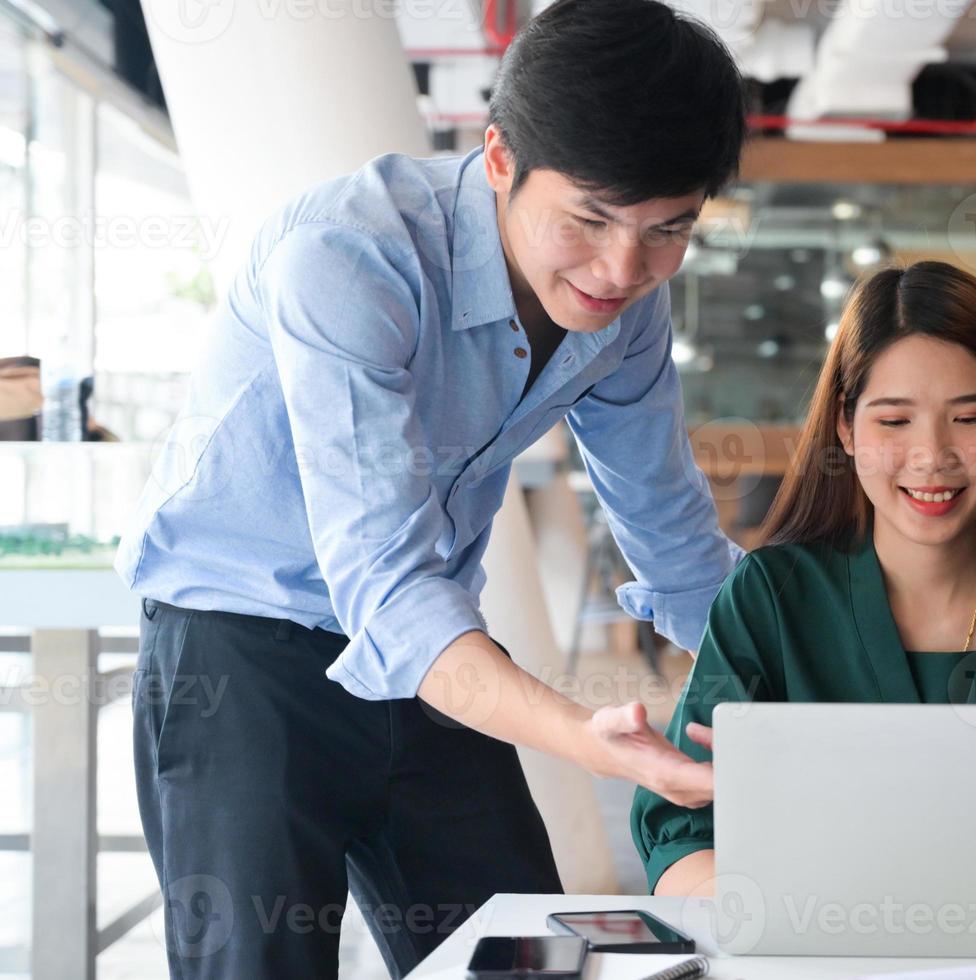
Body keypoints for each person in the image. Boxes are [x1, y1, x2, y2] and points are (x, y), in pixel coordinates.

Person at [115, 1, 749, 974]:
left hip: (432, 648)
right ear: (499, 158)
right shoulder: (348, 256)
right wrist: (589, 738)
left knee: (522, 955)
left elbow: (675, 540)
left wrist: (806, 692)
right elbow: (386, 584)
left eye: (669, 229)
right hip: (241, 652)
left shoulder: (627, 305)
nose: (624, 268)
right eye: (588, 218)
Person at [632, 261, 976, 897]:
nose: (932, 458)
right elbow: (681, 834)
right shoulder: (773, 596)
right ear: (845, 428)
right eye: (894, 421)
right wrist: (788, 923)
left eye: (971, 417)